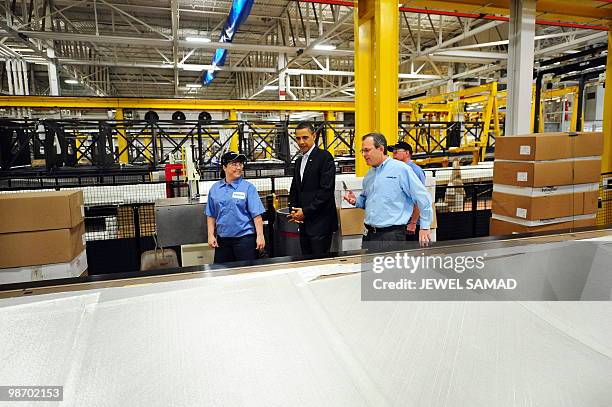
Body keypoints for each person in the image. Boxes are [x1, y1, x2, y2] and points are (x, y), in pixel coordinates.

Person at [343, 133, 433, 248]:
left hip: (391, 236)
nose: (364, 155)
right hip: (369, 234)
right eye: (362, 151)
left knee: (389, 266)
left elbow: (423, 198)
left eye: (367, 150)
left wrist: (424, 227)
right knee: (368, 266)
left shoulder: (401, 170)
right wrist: (355, 201)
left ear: (381, 149)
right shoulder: (369, 174)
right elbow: (368, 200)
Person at [206, 151, 266, 264]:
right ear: (224, 167)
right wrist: (210, 235)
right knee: (222, 274)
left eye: (240, 164)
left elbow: (257, 216)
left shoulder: (248, 188)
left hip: (245, 240)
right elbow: (211, 215)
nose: (238, 167)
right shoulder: (215, 189)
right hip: (222, 241)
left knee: (246, 275)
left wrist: (260, 236)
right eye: (234, 164)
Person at [288, 121, 338, 255]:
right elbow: (295, 188)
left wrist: (306, 211)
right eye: (298, 138)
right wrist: (293, 210)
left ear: (314, 136)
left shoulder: (324, 157)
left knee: (320, 263)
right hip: (304, 223)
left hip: (320, 223)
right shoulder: (299, 161)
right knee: (307, 262)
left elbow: (326, 190)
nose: (301, 142)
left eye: (305, 137)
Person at [388, 141, 426, 241]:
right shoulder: (396, 170)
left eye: (396, 151)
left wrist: (413, 223)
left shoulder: (415, 171)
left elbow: (420, 199)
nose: (393, 154)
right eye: (393, 152)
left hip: (410, 224)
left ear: (407, 153)